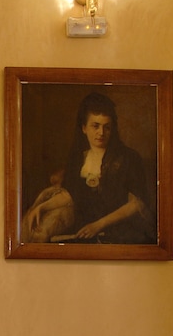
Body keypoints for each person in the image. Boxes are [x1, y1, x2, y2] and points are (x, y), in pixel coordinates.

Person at [25, 92, 155, 244]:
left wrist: (98, 225)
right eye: (95, 126)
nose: (101, 133)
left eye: (107, 127)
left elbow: (137, 204)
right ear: (84, 128)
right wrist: (42, 207)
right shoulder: (79, 158)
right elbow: (71, 194)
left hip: (120, 231)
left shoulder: (129, 158)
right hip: (85, 229)